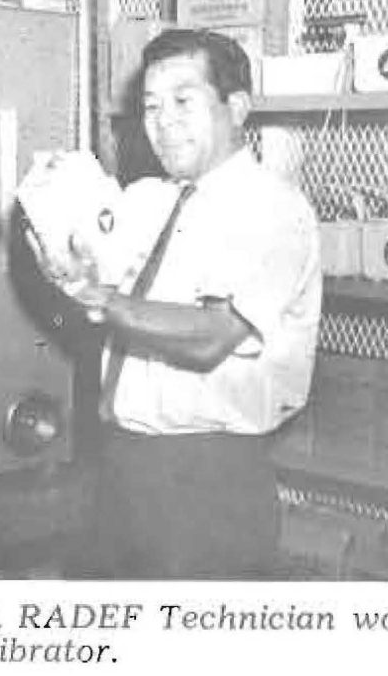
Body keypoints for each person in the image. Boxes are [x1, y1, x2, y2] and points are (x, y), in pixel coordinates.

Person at [39, 29, 321, 578]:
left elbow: (210, 336)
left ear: (236, 107)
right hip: (119, 466)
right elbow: (86, 273)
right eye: (150, 106)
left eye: (183, 101)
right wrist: (55, 236)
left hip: (207, 481)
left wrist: (98, 299)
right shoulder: (146, 199)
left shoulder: (273, 210)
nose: (162, 120)